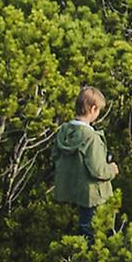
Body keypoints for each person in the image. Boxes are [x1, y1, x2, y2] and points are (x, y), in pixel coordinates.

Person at [51, 85, 117, 243]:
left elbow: (55, 156)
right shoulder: (91, 138)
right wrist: (112, 169)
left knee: (70, 232)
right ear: (93, 109)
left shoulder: (63, 131)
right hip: (89, 196)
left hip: (67, 192)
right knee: (90, 232)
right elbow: (98, 170)